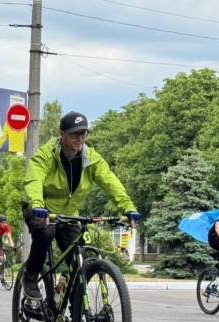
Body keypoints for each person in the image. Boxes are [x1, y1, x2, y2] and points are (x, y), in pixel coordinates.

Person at [22, 111, 141, 308]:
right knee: (45, 232)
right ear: (62, 134)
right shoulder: (46, 154)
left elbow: (110, 181)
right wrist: (36, 204)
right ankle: (31, 277)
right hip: (42, 210)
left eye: (83, 134)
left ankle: (77, 319)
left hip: (69, 215)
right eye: (74, 134)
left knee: (79, 261)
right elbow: (34, 178)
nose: (80, 139)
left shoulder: (90, 157)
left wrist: (128, 207)